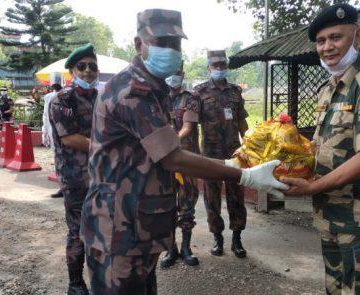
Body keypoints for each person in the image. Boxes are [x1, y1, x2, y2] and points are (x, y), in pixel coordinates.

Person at [80, 9, 287, 294]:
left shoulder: (152, 88)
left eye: (175, 44)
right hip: (118, 228)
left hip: (135, 224)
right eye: (161, 42)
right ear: (139, 44)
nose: (170, 50)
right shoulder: (132, 91)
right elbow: (173, 157)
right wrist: (244, 175)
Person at [281, 3, 360, 294]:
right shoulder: (328, 89)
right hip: (330, 214)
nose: (327, 47)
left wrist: (312, 187)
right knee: (334, 289)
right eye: (321, 41)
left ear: (357, 36)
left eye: (336, 38)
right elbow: (327, 145)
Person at [50, 43, 99, 295]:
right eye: (82, 66)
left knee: (102, 229)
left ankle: (100, 278)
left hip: (103, 176)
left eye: (92, 66)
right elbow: (69, 138)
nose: (88, 71)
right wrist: (105, 148)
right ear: (72, 71)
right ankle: (75, 283)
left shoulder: (100, 98)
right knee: (78, 231)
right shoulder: (63, 99)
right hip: (76, 177)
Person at [194, 49, 249, 258]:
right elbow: (191, 124)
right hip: (211, 155)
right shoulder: (199, 92)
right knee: (212, 197)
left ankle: (237, 239)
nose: (219, 68)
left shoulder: (235, 92)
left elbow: (242, 122)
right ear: (208, 67)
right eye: (215, 65)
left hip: (234, 153)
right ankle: (217, 238)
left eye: (222, 65)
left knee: (237, 196)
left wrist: (250, 145)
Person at [159, 65, 200, 268]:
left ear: (182, 74)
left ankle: (186, 248)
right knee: (166, 204)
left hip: (186, 160)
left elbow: (188, 126)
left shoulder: (190, 98)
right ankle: (170, 250)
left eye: (177, 72)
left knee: (187, 204)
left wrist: (174, 139)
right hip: (163, 161)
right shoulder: (158, 96)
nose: (173, 76)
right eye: (170, 71)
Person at [43, 83, 64, 198]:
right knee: (58, 159)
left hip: (68, 133)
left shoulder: (69, 96)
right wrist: (45, 132)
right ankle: (62, 187)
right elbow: (46, 115)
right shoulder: (48, 97)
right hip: (54, 132)